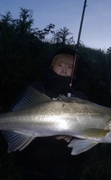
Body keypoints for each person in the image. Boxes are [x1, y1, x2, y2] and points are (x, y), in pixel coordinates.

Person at [12, 47, 87, 180]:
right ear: (51, 67)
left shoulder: (80, 97)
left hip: (68, 166)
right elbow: (16, 111)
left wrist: (73, 135)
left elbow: (88, 130)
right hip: (35, 164)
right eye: (60, 65)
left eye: (70, 66)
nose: (64, 69)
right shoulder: (37, 88)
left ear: (74, 71)